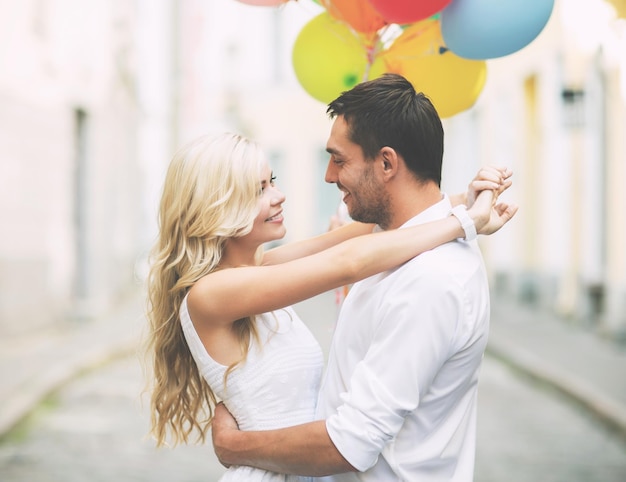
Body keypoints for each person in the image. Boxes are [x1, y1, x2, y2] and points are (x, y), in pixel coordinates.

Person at [145, 129, 515, 480]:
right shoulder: (211, 294)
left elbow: (367, 231)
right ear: (216, 205)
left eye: (271, 181)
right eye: (258, 190)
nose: (278, 195)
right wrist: (463, 222)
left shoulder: (260, 270)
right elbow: (349, 262)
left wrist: (465, 200)